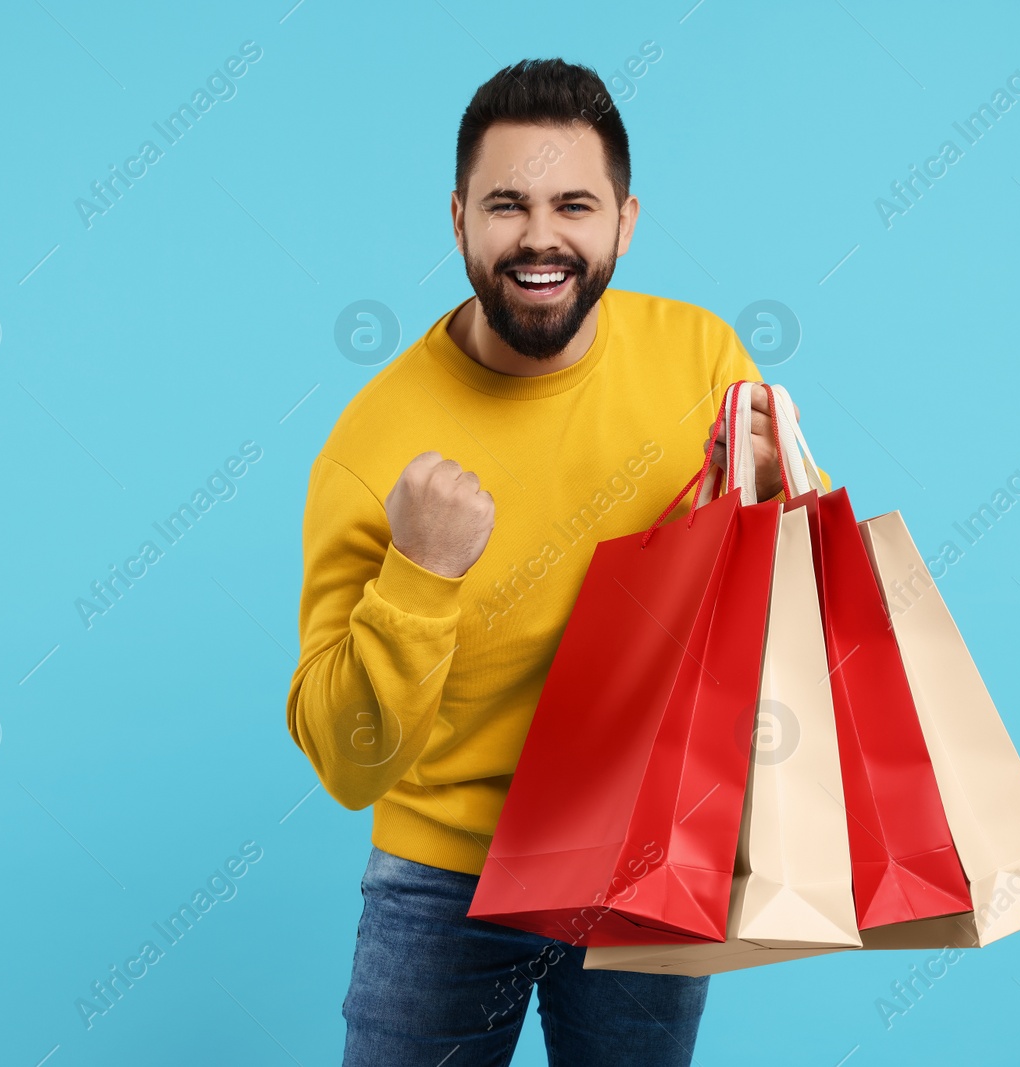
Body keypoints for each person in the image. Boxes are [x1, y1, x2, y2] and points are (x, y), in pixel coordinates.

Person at [286, 57, 825, 1067]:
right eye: (506, 204)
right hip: (446, 880)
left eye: (572, 203)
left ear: (623, 220)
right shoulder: (373, 446)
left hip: (643, 862)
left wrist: (784, 497)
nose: (540, 235)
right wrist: (419, 573)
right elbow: (348, 764)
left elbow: (785, 610)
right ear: (458, 222)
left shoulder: (702, 357)